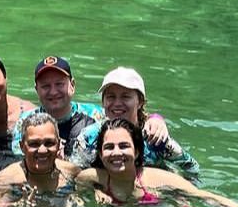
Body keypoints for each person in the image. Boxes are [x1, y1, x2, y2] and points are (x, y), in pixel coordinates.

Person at [75, 118, 238, 207]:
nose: (116, 153)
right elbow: (74, 196)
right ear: (100, 154)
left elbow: (205, 196)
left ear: (137, 152)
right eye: (109, 147)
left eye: (124, 146)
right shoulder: (92, 177)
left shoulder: (157, 179)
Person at [11, 56, 173, 162]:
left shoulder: (95, 114)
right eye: (46, 86)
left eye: (59, 84)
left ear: (72, 85)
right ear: (36, 90)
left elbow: (126, 117)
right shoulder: (25, 122)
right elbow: (20, 160)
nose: (53, 92)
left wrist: (156, 119)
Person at [70, 67, 199, 177]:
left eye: (125, 96)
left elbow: (192, 169)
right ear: (103, 102)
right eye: (111, 97)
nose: (117, 103)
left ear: (140, 101)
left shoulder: (154, 138)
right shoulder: (89, 137)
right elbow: (74, 173)